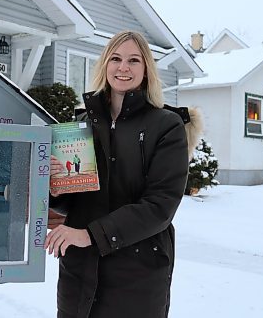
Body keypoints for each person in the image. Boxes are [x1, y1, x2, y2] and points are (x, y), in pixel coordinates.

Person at [45, 30, 202, 318]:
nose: (123, 67)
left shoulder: (167, 126)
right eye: (115, 58)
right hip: (79, 274)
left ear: (146, 70)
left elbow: (160, 206)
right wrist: (56, 189)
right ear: (105, 65)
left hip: (137, 272)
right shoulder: (81, 124)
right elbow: (74, 199)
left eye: (134, 60)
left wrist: (89, 235)